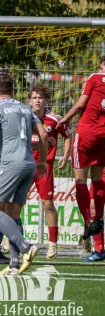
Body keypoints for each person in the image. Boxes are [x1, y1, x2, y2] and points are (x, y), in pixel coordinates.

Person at [0, 73, 47, 275]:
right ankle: (14, 263)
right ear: (13, 90)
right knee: (13, 213)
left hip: (10, 164)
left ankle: (25, 246)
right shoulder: (25, 108)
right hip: (29, 164)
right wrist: (42, 161)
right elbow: (43, 134)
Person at [57, 56, 105, 262]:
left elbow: (80, 104)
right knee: (98, 180)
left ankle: (88, 222)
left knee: (80, 181)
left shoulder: (95, 78)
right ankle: (99, 244)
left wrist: (64, 119)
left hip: (86, 135)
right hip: (104, 136)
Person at [26, 84, 72, 259]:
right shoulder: (24, 117)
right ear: (29, 100)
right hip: (25, 165)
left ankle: (53, 243)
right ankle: (10, 238)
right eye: (34, 97)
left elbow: (68, 135)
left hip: (44, 168)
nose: (37, 101)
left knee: (48, 204)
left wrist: (65, 155)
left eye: (40, 98)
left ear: (45, 100)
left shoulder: (54, 119)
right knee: (15, 203)